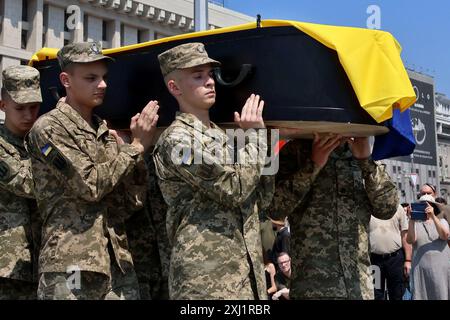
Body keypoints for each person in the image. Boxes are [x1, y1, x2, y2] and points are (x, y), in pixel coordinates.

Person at [26, 41, 159, 300]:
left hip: (115, 262)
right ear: (66, 79)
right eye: (91, 78)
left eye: (104, 78)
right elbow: (90, 185)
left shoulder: (104, 132)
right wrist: (136, 147)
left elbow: (130, 201)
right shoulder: (49, 129)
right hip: (71, 265)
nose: (102, 85)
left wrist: (136, 155)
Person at [153, 42, 274, 299]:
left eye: (210, 75)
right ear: (174, 87)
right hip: (205, 280)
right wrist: (256, 138)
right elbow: (234, 189)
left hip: (246, 275)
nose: (210, 82)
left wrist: (264, 142)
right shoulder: (177, 142)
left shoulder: (226, 137)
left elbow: (262, 198)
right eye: (198, 76)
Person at [267, 134, 399, 299]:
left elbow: (387, 209)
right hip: (313, 288)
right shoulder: (297, 150)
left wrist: (366, 161)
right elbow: (274, 209)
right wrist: (313, 165)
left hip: (358, 287)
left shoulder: (361, 150)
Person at [0, 65, 42, 299]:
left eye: (34, 107)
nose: (28, 115)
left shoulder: (40, 142)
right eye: (20, 108)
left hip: (42, 261)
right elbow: (27, 184)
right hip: (8, 265)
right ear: (3, 106)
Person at [406, 194, 450, 300]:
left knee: (442, 294)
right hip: (421, 270)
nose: (425, 207)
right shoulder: (415, 223)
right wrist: (411, 219)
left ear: (433, 207)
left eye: (427, 205)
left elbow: (445, 236)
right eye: (421, 205)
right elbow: (410, 240)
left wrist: (433, 217)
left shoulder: (442, 221)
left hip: (441, 269)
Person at [369, 205, 412, 300]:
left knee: (397, 293)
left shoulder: (398, 208)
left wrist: (408, 260)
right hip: (374, 260)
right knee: (376, 293)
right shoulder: (368, 208)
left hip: (395, 259)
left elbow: (405, 236)